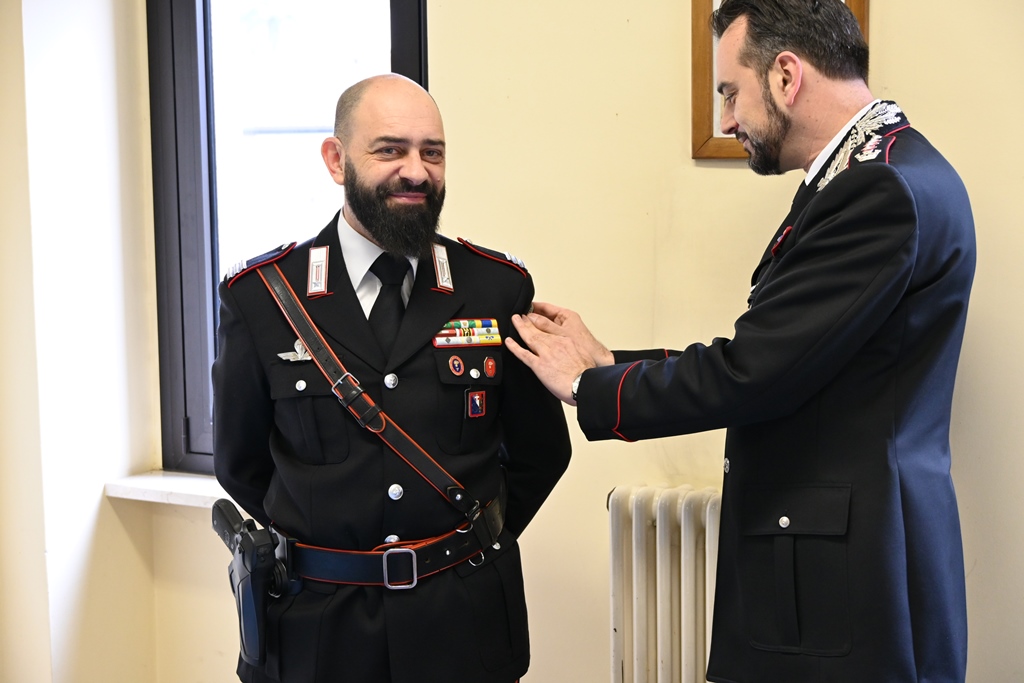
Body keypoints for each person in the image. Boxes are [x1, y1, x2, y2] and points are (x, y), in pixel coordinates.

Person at [507, 1, 975, 681]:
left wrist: (589, 385)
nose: (727, 121)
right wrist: (610, 363)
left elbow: (755, 371)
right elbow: (787, 353)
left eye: (730, 92)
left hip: (849, 573)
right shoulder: (892, 168)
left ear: (786, 75)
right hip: (858, 551)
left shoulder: (874, 190)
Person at [213, 73, 571, 683]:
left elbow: (541, 452)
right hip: (320, 631)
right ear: (336, 160)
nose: (416, 171)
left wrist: (465, 547)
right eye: (390, 150)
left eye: (433, 153)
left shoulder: (494, 287)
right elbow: (240, 464)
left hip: (463, 622)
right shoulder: (263, 298)